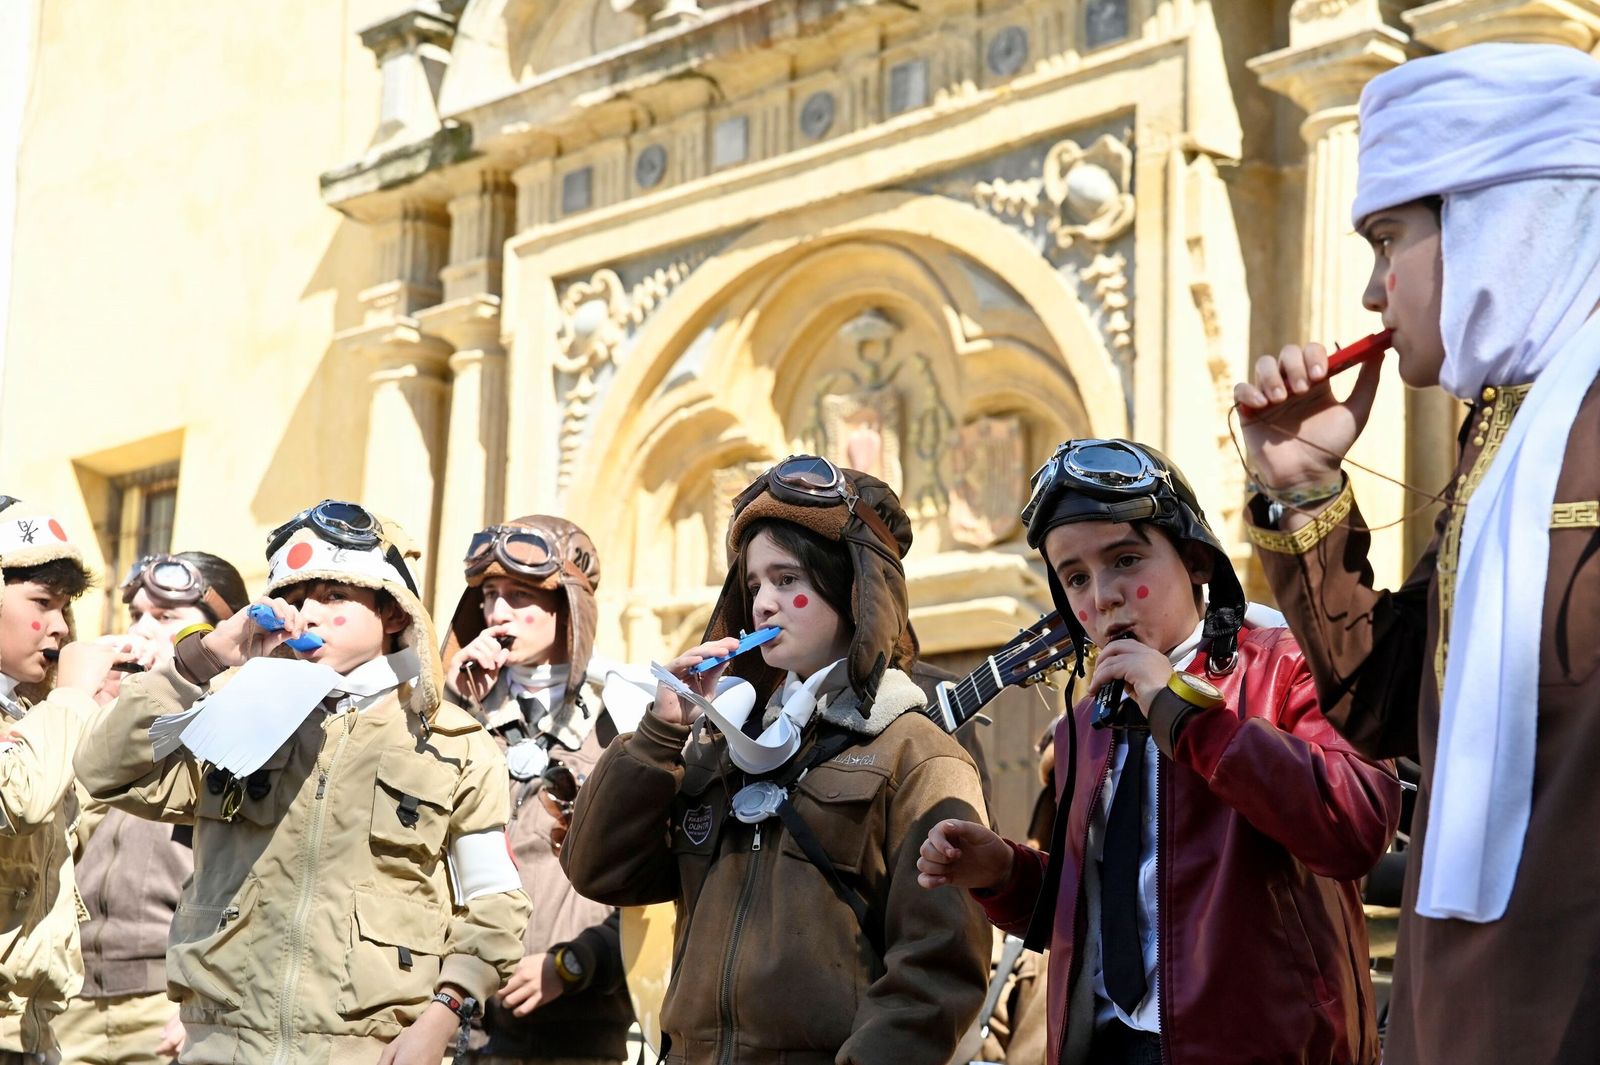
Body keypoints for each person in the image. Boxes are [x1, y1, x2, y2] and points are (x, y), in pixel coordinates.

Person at [1234, 43, 1600, 1065]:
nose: (1370, 292)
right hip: (1459, 1015)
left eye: (1387, 239)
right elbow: (1396, 712)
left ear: (1498, 222)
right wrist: (1305, 488)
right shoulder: (1504, 446)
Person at [916, 439, 1400, 1065]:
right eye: (1076, 578)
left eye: (1125, 560)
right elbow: (1109, 918)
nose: (1102, 597)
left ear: (1197, 561)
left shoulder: (1289, 665)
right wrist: (1004, 874)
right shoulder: (1084, 724)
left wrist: (1184, 715)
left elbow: (1356, 827)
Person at [561, 455, 990, 1065]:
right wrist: (660, 732)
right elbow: (601, 873)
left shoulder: (918, 754)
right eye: (754, 585)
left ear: (853, 589)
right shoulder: (716, 747)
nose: (763, 603)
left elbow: (938, 973)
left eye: (788, 580)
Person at [75, 500, 531, 1064]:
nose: (307, 614)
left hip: (372, 1052)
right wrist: (203, 659)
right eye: (293, 599)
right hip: (222, 1046)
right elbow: (103, 770)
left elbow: (493, 903)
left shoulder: (454, 742)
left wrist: (444, 1015)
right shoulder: (235, 710)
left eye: (334, 596)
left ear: (393, 614)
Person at [440, 516, 633, 1064]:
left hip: (577, 1028)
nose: (497, 613)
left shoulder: (625, 719)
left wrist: (574, 965)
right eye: (489, 596)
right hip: (459, 1020)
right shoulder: (458, 712)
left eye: (520, 597)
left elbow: (653, 887)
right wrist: (451, 709)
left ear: (567, 608)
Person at [57, 552, 250, 1065]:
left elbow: (261, 879)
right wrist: (99, 712)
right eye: (137, 614)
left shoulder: (247, 723)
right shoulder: (117, 715)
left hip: (169, 1000)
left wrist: (205, 993)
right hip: (74, 997)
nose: (141, 630)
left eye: (165, 617)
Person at [0, 496, 126, 1062]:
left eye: (66, 606)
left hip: (29, 1031)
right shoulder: (52, 712)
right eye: (42, 602)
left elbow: (84, 822)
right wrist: (72, 697)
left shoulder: (33, 714)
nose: (60, 626)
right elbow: (21, 801)